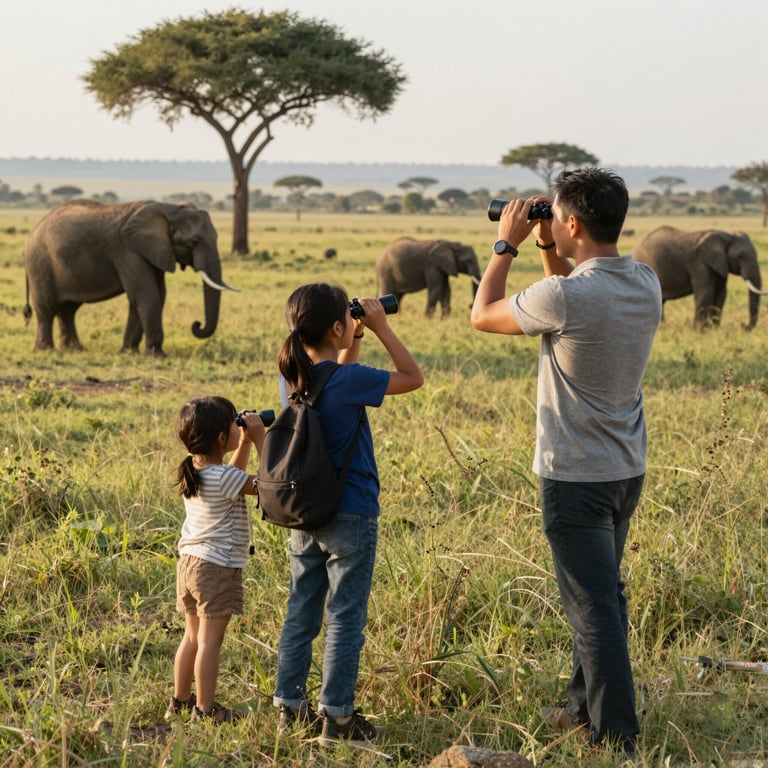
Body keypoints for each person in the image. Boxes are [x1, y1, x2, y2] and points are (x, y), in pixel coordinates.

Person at [471, 168, 661, 755]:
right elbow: (568, 294)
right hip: (625, 469)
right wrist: (549, 245)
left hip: (574, 475)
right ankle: (582, 710)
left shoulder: (565, 297)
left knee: (593, 606)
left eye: (554, 217)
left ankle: (617, 737)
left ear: (572, 221)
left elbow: (483, 314)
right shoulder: (645, 281)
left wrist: (506, 244)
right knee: (603, 595)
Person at [272, 283, 424, 744]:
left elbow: (334, 378)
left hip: (305, 512)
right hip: (351, 512)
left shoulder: (292, 379)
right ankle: (337, 718)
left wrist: (351, 335)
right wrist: (380, 326)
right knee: (344, 616)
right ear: (336, 327)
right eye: (346, 321)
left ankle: (289, 705)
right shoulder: (348, 382)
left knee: (301, 610)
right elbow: (412, 376)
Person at [166, 396, 267, 724]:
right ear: (222, 438)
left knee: (192, 637)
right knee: (210, 642)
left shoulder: (194, 472)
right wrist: (262, 439)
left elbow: (230, 477)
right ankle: (206, 710)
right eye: (233, 425)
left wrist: (246, 443)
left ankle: (180, 701)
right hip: (216, 568)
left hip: (189, 564)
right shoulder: (225, 479)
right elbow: (270, 484)